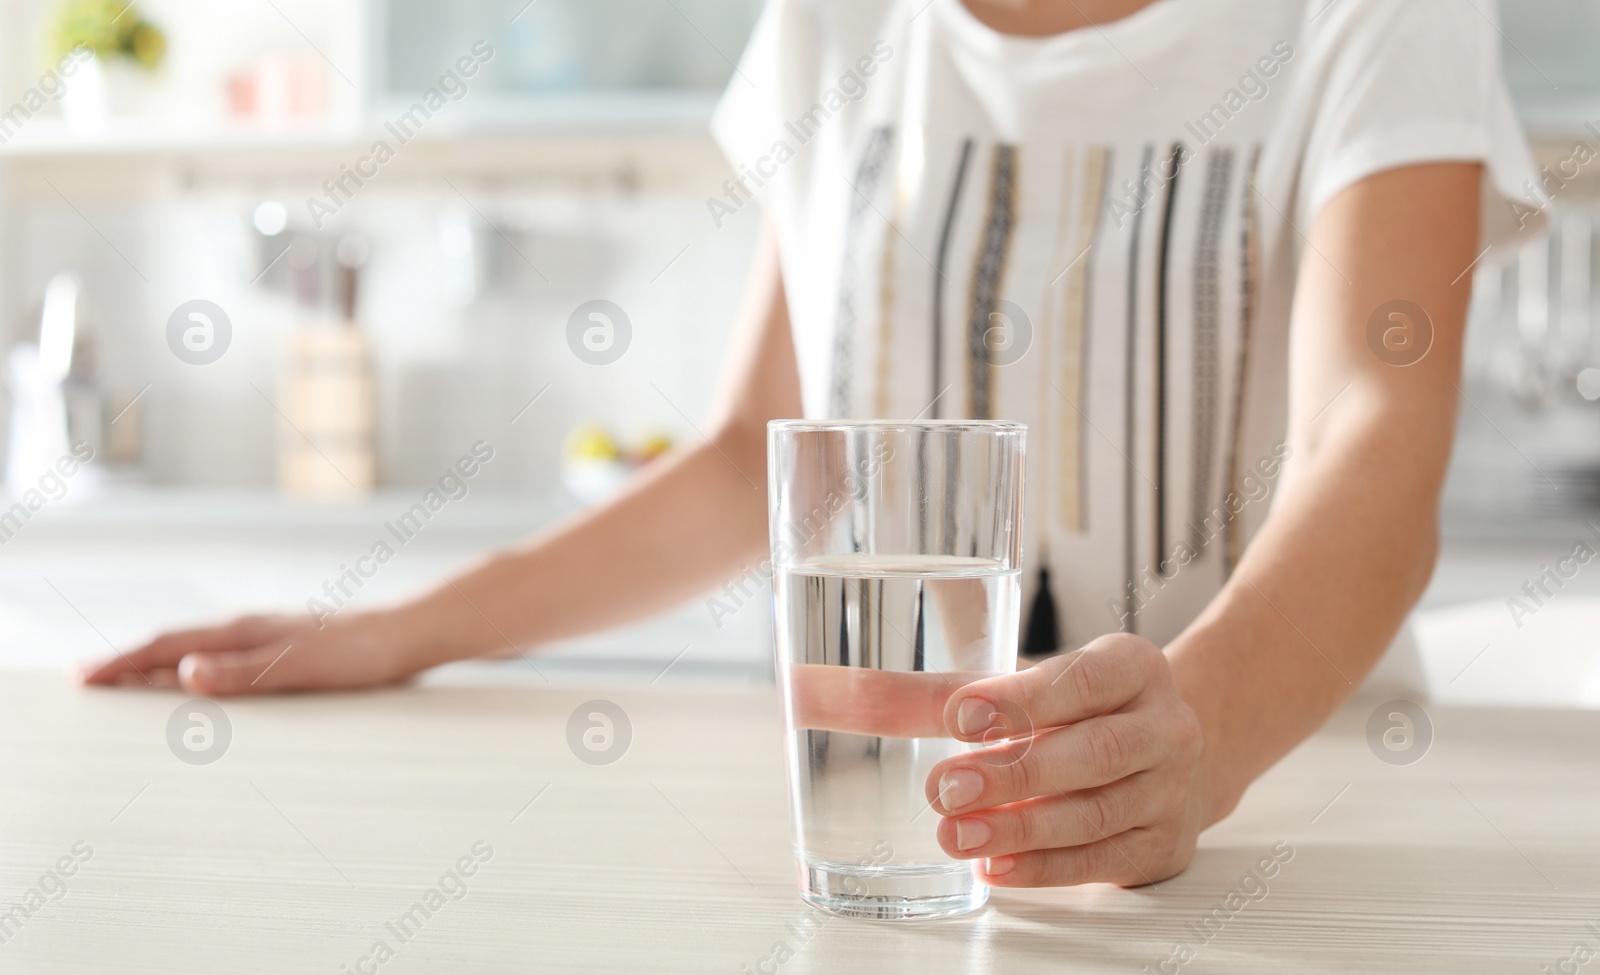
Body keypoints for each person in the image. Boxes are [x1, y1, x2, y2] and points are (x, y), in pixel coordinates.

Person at [83, 0, 1539, 890]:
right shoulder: (840, 18)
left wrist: (1197, 740)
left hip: (1281, 825)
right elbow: (759, 460)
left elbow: (1371, 435)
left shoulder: (1376, 8)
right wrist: (400, 630)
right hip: (892, 823)